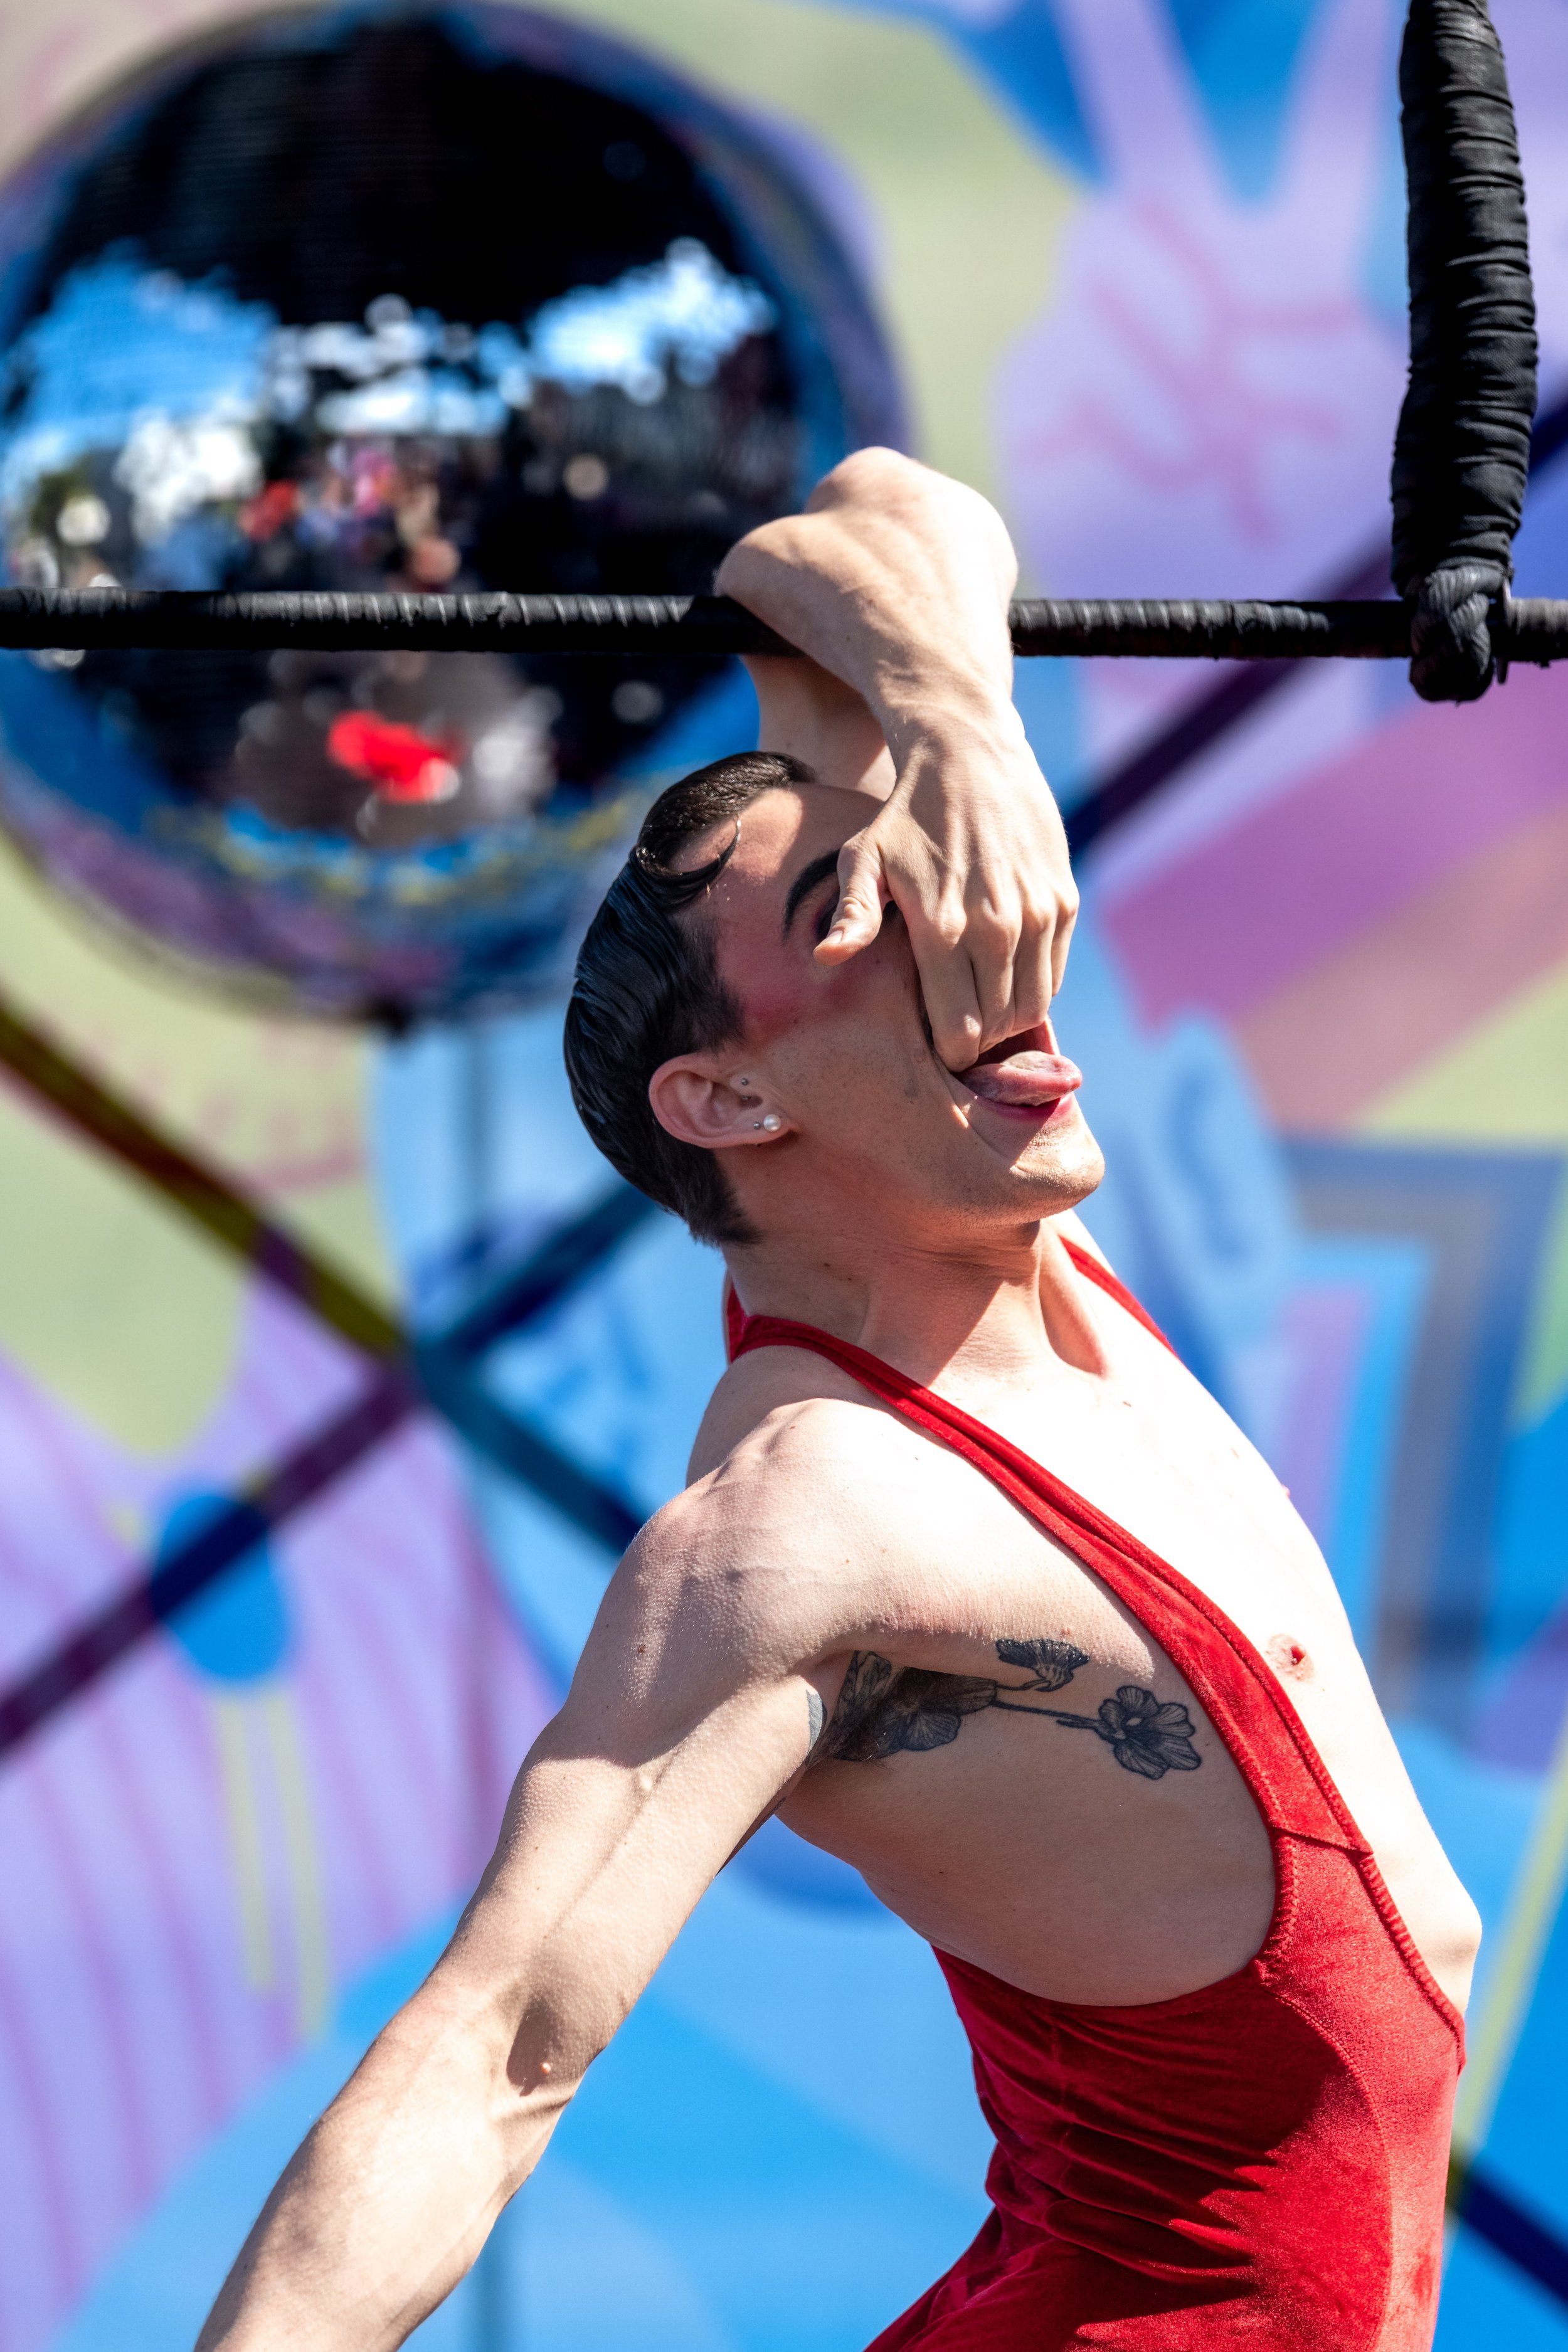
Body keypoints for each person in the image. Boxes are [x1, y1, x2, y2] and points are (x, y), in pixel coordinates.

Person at [197, 450, 1478, 2352]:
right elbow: (489, 2062)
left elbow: (871, 513)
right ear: (727, 1100)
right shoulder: (809, 1520)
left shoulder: (1027, 1276)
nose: (970, 928)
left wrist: (956, 724)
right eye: (849, 917)